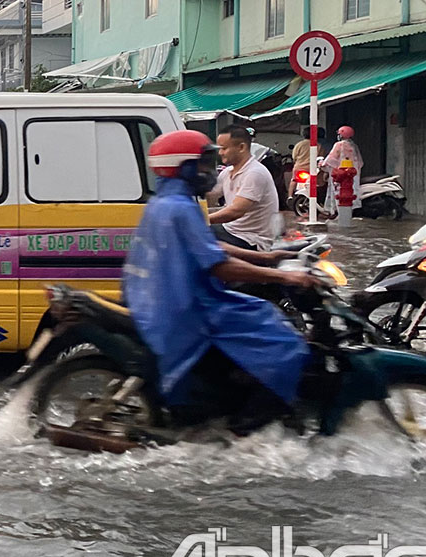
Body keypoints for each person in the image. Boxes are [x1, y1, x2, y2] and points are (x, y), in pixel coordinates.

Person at [125, 130, 319, 433]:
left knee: (262, 311)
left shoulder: (165, 203)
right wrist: (284, 274)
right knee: (284, 341)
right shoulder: (181, 207)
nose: (209, 170)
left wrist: (266, 259)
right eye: (202, 164)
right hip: (192, 306)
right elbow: (220, 265)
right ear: (183, 166)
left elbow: (209, 246)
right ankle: (247, 425)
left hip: (165, 300)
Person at [207, 126, 281, 250]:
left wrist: (202, 219)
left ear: (241, 147)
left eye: (224, 148)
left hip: (250, 239)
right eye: (219, 149)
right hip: (231, 230)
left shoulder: (254, 173)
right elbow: (209, 194)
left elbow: (236, 211)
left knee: (194, 236)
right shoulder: (228, 172)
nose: (220, 153)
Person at [324, 125, 363, 209]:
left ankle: (336, 211)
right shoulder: (353, 145)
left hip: (340, 174)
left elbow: (331, 159)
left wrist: (323, 164)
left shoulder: (339, 145)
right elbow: (359, 161)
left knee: (338, 192)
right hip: (352, 173)